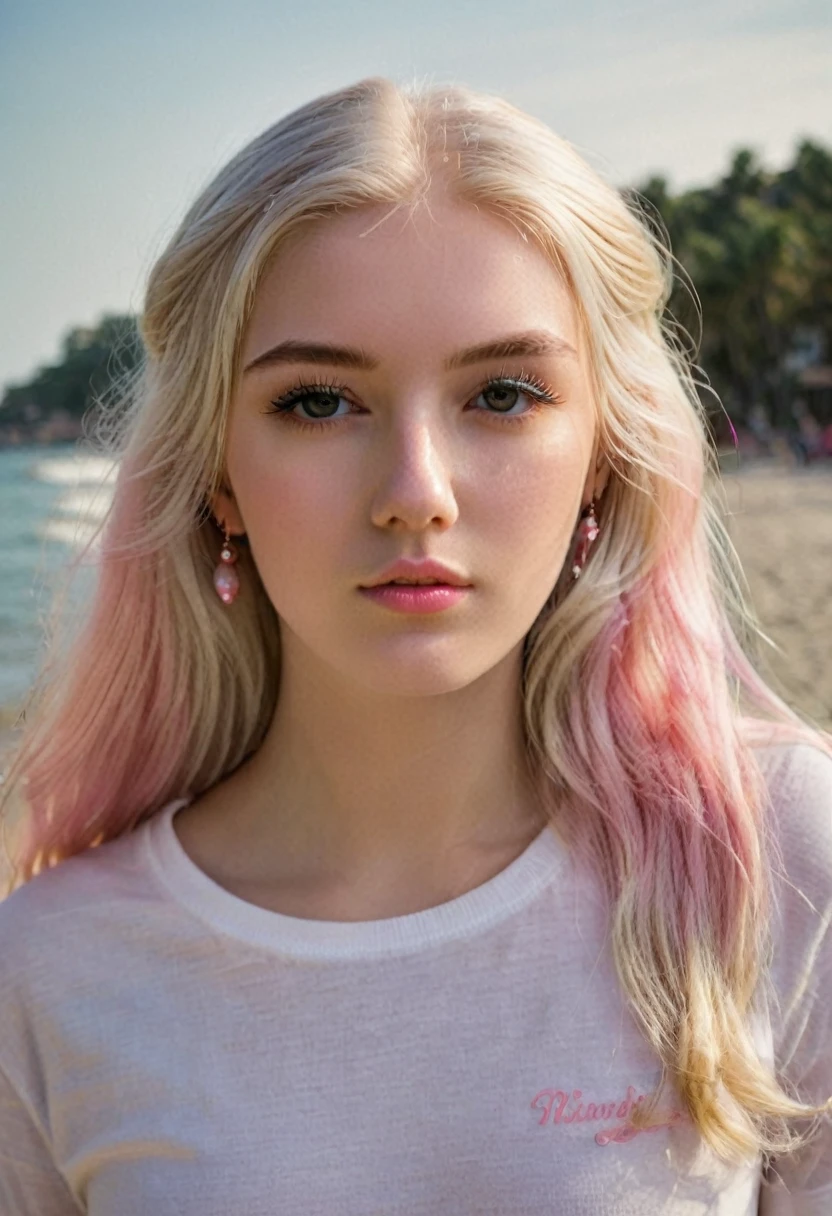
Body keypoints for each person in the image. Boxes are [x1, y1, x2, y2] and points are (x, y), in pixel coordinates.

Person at [0, 77, 830, 1215]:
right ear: (215, 474)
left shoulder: (769, 851)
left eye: (500, 393)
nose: (414, 494)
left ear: (601, 456)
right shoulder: (48, 970)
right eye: (318, 403)